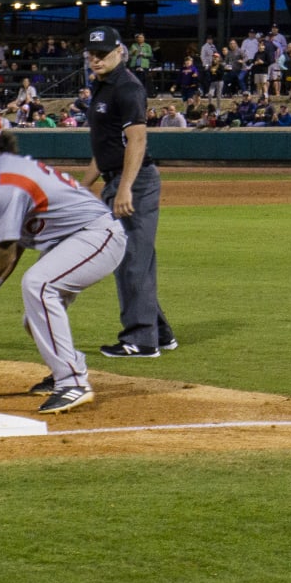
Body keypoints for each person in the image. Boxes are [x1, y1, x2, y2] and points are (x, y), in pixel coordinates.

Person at [0, 107, 125, 414]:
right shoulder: (2, 171)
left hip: (97, 235)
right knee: (35, 318)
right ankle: (68, 369)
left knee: (39, 285)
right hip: (76, 239)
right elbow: (13, 248)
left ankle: (73, 383)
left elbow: (2, 252)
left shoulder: (4, 181)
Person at [79, 27, 177, 357]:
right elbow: (106, 147)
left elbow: (137, 141)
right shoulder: (103, 86)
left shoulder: (127, 87)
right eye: (91, 54)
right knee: (136, 259)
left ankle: (140, 340)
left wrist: (124, 189)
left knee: (131, 259)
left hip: (134, 181)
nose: (95, 59)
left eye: (102, 53)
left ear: (120, 51)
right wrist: (82, 187)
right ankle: (159, 332)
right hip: (116, 177)